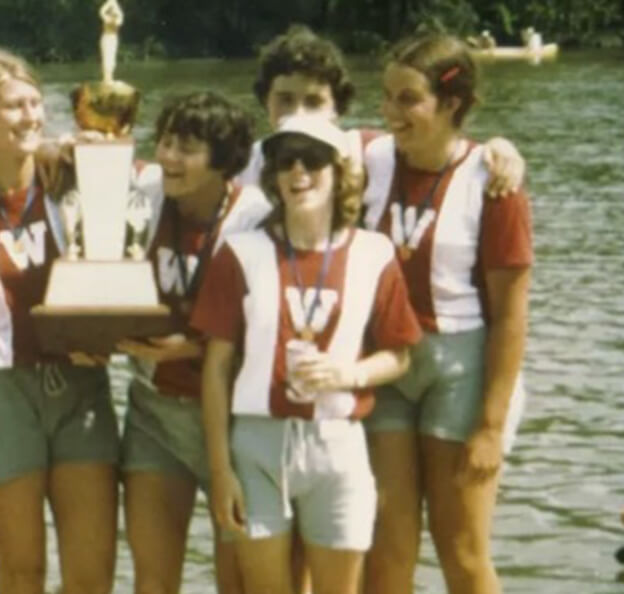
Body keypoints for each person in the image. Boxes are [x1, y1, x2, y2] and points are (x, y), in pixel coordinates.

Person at [195, 114, 423, 594]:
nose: (299, 172)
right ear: (273, 175)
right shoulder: (240, 253)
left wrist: (348, 373)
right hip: (256, 447)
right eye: (285, 161)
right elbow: (216, 370)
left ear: (340, 171)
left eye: (313, 159)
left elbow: (399, 356)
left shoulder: (375, 253)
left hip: (337, 445)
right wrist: (220, 472)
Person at [0, 48, 120, 593]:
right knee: (21, 572)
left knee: (92, 574)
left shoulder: (73, 176)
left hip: (81, 388)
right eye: (14, 107)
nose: (31, 117)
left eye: (36, 103)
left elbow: (131, 255)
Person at [360, 33, 533, 594]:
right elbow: (289, 142)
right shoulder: (368, 157)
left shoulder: (494, 182)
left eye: (408, 99)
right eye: (386, 97)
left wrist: (490, 425)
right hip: (387, 365)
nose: (390, 112)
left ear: (451, 104)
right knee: (388, 546)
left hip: (461, 367)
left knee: (460, 548)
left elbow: (511, 316)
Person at [113, 91, 269, 594]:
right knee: (153, 582)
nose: (168, 158)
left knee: (239, 581)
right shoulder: (145, 194)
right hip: (154, 412)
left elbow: (276, 328)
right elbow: (83, 162)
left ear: (223, 160)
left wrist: (194, 347)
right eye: (164, 142)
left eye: (186, 148)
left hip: (232, 419)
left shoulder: (257, 215)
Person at [239, 25, 524, 200]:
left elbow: (437, 143)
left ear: (337, 108)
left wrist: (499, 148)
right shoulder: (241, 167)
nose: (298, 115)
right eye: (285, 100)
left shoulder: (361, 153)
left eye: (314, 103)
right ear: (264, 100)